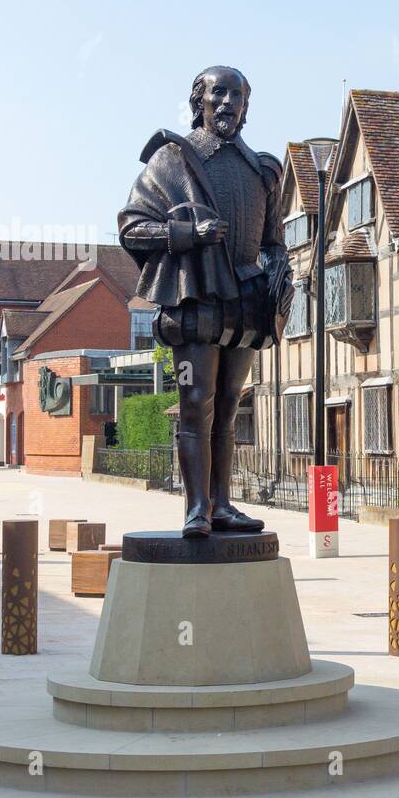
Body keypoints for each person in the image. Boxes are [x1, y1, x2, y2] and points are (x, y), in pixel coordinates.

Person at [118, 65, 294, 537]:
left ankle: (222, 505)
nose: (227, 104)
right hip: (195, 297)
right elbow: (131, 228)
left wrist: (280, 268)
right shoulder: (173, 159)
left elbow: (273, 240)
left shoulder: (262, 170)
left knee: (230, 404)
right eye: (218, 94)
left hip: (246, 302)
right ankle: (197, 508)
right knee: (197, 401)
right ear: (199, 101)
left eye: (237, 97)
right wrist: (184, 234)